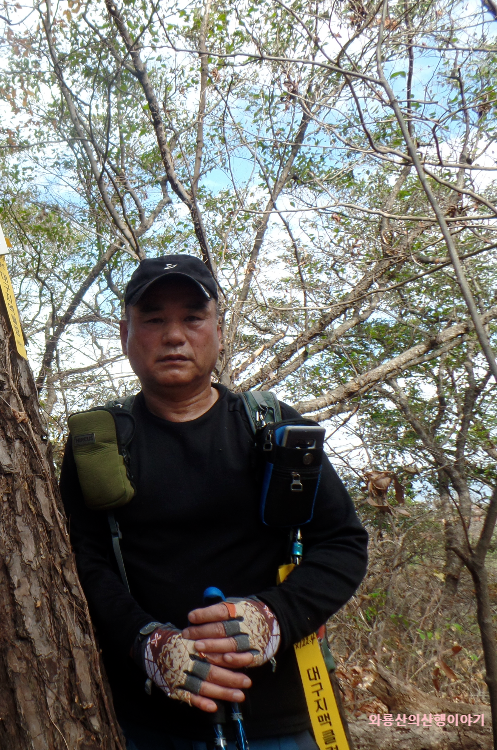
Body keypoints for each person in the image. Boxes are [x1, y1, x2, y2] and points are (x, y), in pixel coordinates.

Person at [60, 255, 368, 750]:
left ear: (219, 332)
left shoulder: (272, 426)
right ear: (125, 334)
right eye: (153, 319)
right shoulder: (98, 446)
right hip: (147, 723)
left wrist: (273, 618)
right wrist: (147, 644)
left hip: (285, 718)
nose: (174, 336)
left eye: (193, 318)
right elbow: (83, 562)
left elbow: (343, 543)